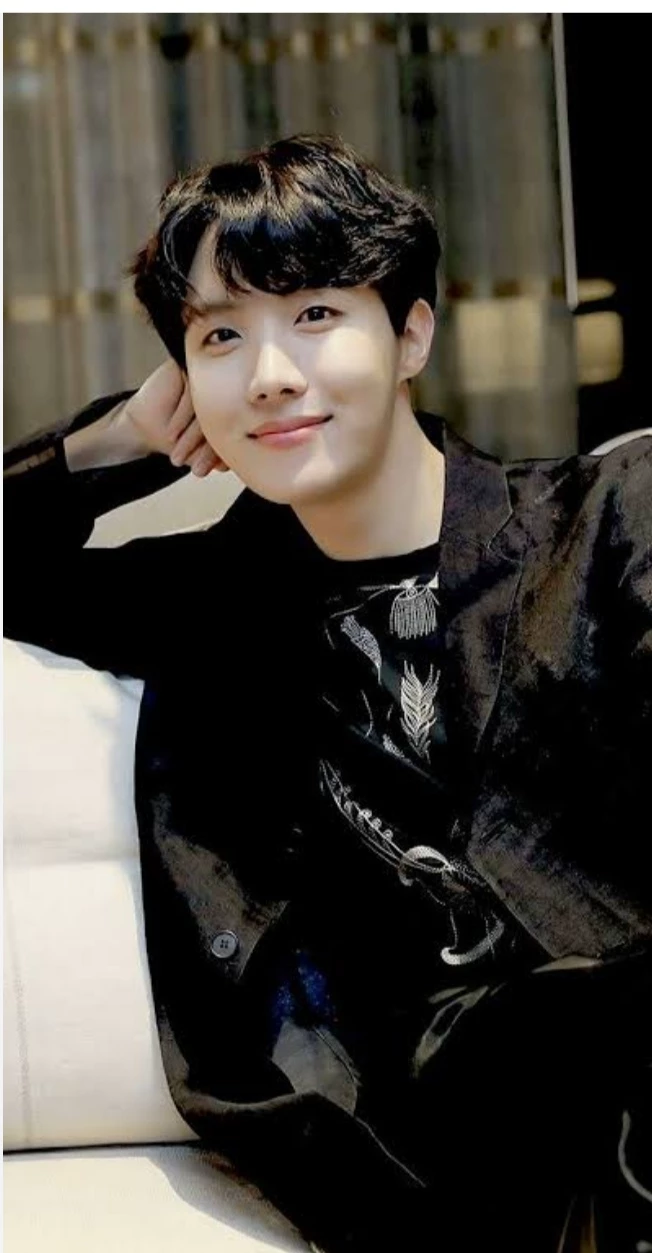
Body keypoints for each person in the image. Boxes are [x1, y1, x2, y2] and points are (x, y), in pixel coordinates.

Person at [4, 134, 651, 1253]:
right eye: (220, 335)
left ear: (411, 335)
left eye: (314, 313)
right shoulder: (207, 607)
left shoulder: (603, 523)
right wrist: (116, 438)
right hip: (427, 1130)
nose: (268, 374)